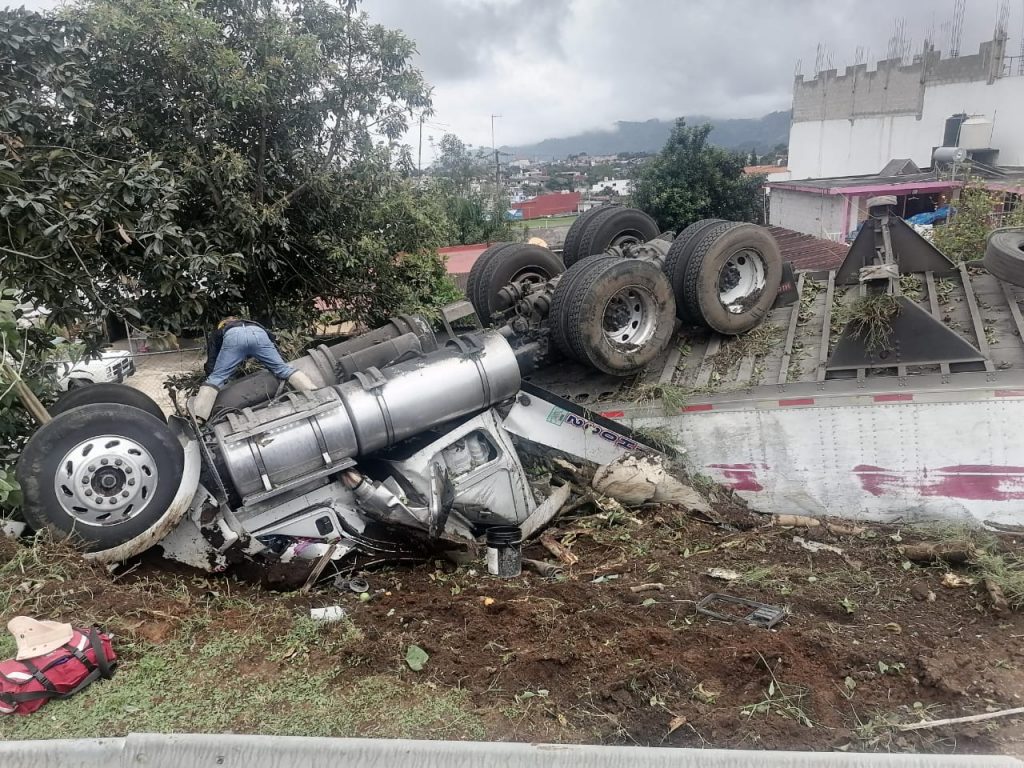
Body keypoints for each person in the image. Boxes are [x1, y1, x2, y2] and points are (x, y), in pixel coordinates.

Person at [191, 316, 315, 421]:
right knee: (282, 369)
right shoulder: (252, 324)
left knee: (216, 378)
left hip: (234, 337)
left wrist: (211, 375)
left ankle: (198, 418)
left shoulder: (220, 331)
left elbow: (212, 358)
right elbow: (271, 340)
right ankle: (314, 392)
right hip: (259, 334)